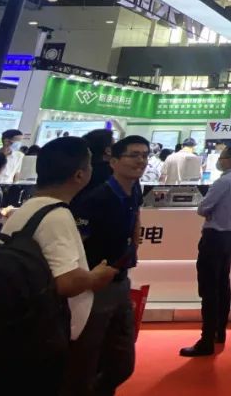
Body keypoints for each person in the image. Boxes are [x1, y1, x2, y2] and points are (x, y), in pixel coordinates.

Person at [2, 137, 118, 344]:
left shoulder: (30, 208)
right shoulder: (57, 215)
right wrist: (95, 277)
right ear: (80, 175)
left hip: (24, 323)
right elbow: (67, 281)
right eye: (90, 164)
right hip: (47, 331)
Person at [66, 135, 148, 393]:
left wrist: (133, 246)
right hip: (93, 286)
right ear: (113, 161)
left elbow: (136, 216)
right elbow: (77, 240)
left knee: (121, 363)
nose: (140, 161)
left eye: (144, 155)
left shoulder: (135, 189)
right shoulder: (96, 198)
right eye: (133, 155)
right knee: (86, 361)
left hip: (120, 281)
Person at [181, 145, 231, 356]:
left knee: (209, 288)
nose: (219, 160)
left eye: (222, 157)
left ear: (228, 159)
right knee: (222, 284)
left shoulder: (223, 182)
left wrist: (209, 211)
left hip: (213, 237)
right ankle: (220, 330)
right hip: (228, 236)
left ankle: (207, 339)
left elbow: (203, 208)